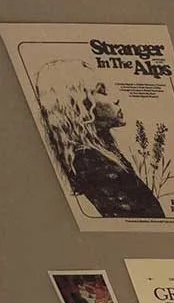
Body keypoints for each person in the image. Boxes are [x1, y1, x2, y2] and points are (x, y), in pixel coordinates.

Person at [33, 61, 165, 219]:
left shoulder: (98, 153)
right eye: (102, 92)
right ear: (80, 106)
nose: (115, 99)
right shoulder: (91, 162)